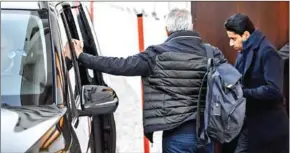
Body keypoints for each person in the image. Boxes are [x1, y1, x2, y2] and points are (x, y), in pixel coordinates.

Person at [66, 8, 226, 153]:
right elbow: (228, 83)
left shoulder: (155, 55)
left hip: (176, 135)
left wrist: (81, 56)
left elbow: (120, 65)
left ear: (167, 30)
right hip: (206, 134)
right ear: (191, 27)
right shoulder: (212, 53)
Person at [224, 13, 289, 153]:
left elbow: (274, 90)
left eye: (233, 39)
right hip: (252, 125)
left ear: (246, 35)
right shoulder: (244, 50)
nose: (231, 43)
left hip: (270, 130)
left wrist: (243, 92)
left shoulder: (268, 52)